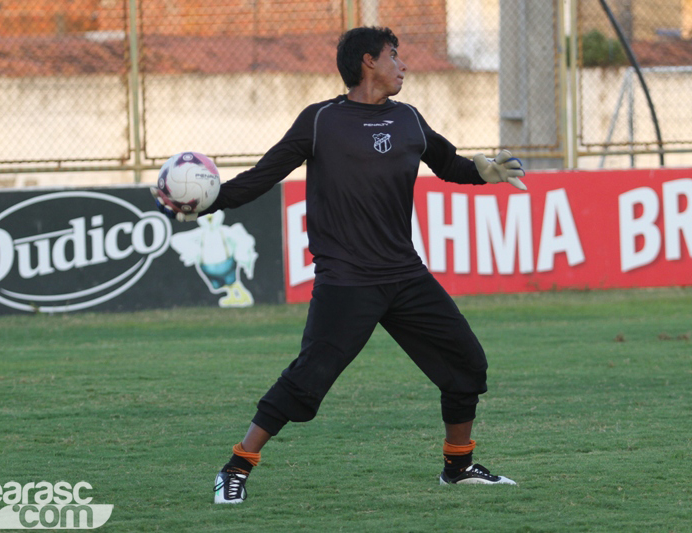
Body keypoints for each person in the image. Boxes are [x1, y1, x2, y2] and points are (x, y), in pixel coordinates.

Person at [153, 26, 526, 504]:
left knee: (466, 365)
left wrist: (483, 173)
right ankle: (236, 467)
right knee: (307, 381)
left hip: (405, 274)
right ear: (369, 61)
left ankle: (458, 467)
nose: (403, 65)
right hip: (347, 280)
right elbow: (263, 176)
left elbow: (448, 163)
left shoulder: (409, 119)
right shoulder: (320, 121)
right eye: (394, 56)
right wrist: (208, 203)